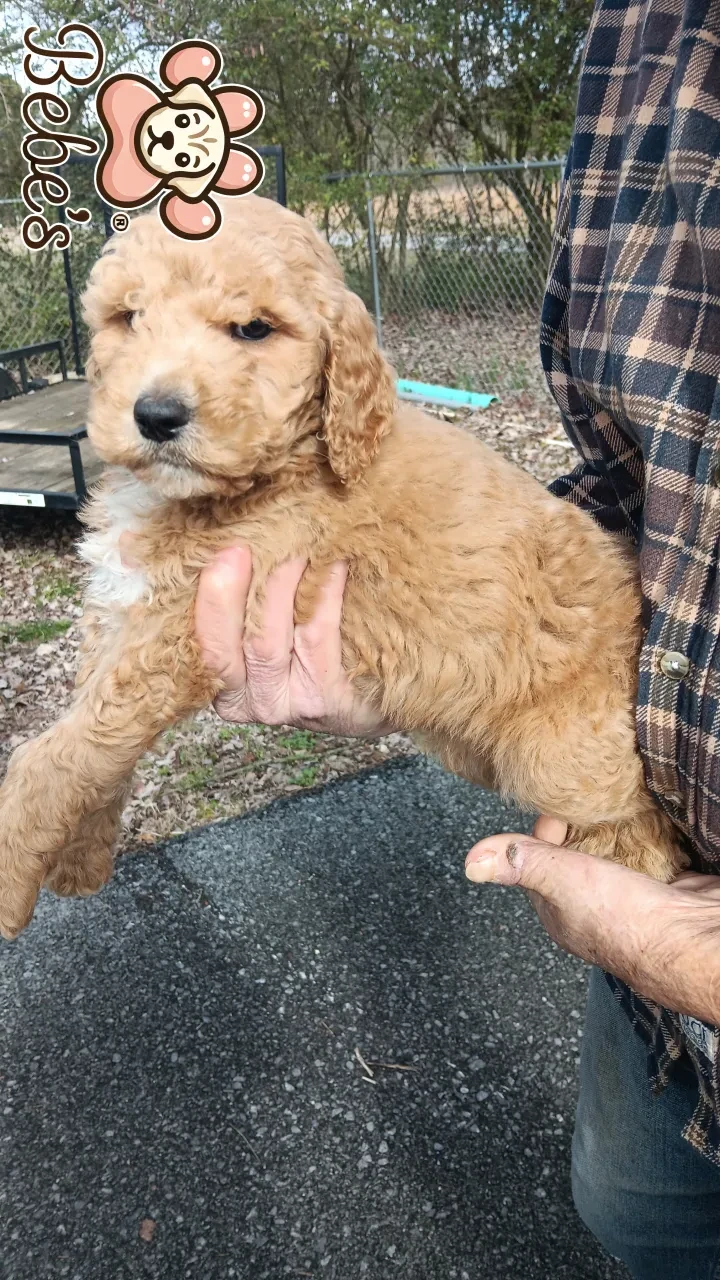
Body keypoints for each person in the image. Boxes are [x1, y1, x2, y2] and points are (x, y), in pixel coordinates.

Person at [195, 2, 720, 1273]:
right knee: (637, 1213)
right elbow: (634, 479)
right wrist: (418, 665)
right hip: (646, 882)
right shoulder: (644, 26)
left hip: (668, 928)